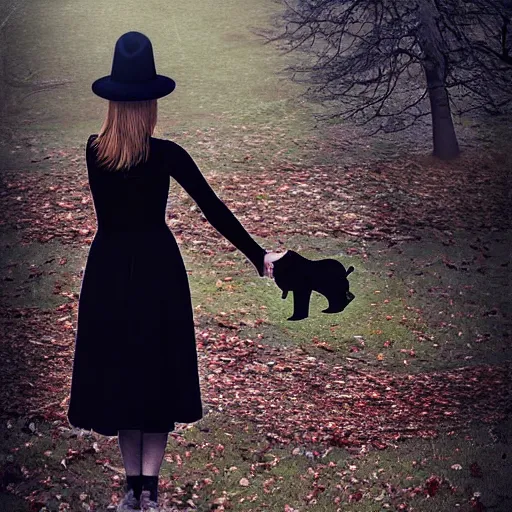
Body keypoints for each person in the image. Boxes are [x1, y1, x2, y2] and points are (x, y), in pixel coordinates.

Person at [66, 31, 287, 511]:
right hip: (157, 276)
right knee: (156, 380)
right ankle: (148, 493)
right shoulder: (166, 154)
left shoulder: (93, 152)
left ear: (114, 101)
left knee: (126, 381)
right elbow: (214, 209)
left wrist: (256, 254)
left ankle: (132, 491)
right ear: (150, 104)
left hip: (107, 275)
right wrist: (258, 255)